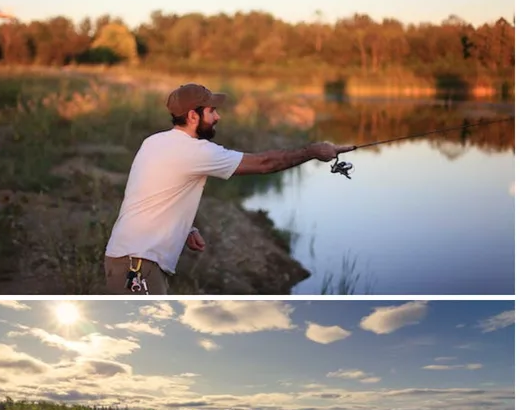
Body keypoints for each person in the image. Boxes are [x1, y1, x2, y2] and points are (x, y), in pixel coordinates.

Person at [104, 83, 355, 294]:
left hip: (129, 259)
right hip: (137, 264)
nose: (217, 117)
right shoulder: (194, 150)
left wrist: (185, 226)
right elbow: (265, 163)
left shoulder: (155, 141)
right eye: (212, 111)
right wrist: (313, 151)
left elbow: (151, 190)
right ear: (193, 116)